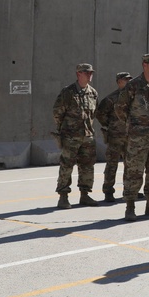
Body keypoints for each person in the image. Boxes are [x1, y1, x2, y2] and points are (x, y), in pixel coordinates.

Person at [115, 53, 149, 221]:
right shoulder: (133, 86)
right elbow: (120, 108)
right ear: (144, 65)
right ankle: (130, 206)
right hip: (137, 138)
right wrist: (133, 126)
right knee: (134, 171)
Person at [52, 63, 99, 208]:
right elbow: (57, 112)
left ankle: (85, 195)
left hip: (87, 136)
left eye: (91, 73)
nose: (90, 75)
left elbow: (94, 114)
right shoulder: (68, 92)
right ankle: (63, 196)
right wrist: (64, 130)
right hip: (70, 136)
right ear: (79, 74)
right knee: (66, 166)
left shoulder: (93, 93)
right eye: (87, 73)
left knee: (87, 166)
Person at [96, 71, 132, 203]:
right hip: (115, 136)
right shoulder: (111, 98)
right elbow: (100, 114)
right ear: (118, 82)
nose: (128, 82)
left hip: (129, 136)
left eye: (129, 80)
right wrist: (110, 125)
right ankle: (108, 191)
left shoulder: (133, 97)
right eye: (125, 80)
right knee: (112, 165)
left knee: (130, 165)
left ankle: (129, 190)